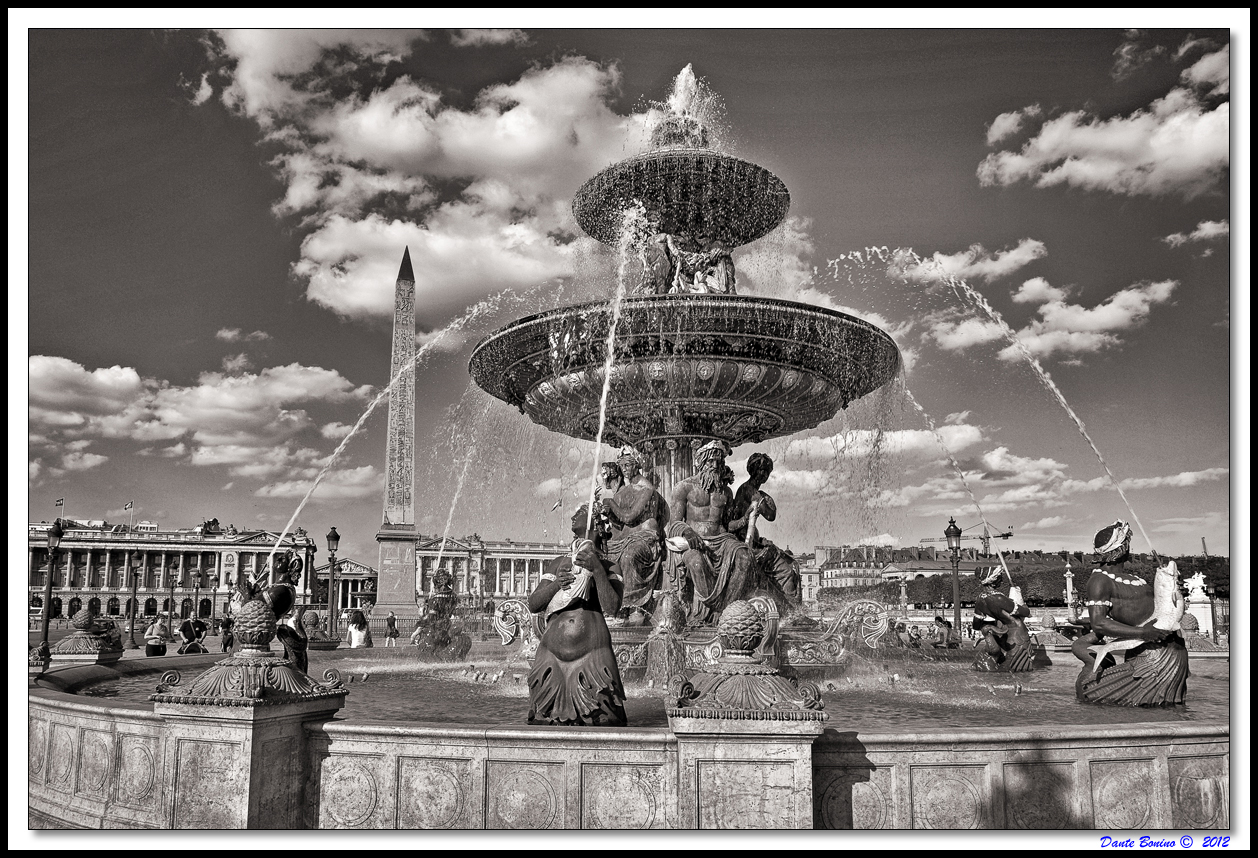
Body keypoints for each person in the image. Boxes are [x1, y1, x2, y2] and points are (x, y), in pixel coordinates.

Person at [526, 505, 627, 727]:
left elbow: (612, 607)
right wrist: (556, 585)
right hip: (551, 656)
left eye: (582, 511)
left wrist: (598, 571)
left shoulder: (611, 566)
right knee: (543, 725)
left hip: (592, 657)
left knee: (603, 722)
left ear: (596, 524)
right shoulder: (557, 563)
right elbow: (534, 604)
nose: (574, 515)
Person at [1071, 520, 1187, 706]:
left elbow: (1161, 608)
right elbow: (1098, 622)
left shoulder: (1136, 579)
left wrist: (1176, 592)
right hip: (1149, 657)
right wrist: (1143, 633)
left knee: (1167, 709)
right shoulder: (1099, 580)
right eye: (1127, 544)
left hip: (1171, 651)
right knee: (1149, 711)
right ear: (1122, 549)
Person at [663, 440, 757, 624]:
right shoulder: (684, 487)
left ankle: (727, 611)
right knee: (695, 562)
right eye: (710, 461)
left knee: (745, 557)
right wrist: (688, 532)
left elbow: (727, 524)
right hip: (694, 541)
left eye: (719, 461)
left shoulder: (726, 493)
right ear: (700, 462)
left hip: (722, 540)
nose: (715, 465)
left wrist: (744, 519)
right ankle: (711, 609)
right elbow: (673, 523)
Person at [601, 446, 667, 622]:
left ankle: (634, 607)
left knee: (630, 556)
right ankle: (612, 605)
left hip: (644, 537)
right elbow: (618, 523)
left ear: (637, 465)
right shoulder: (623, 491)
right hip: (624, 538)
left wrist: (610, 504)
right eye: (621, 465)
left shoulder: (647, 489)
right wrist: (604, 515)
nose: (624, 469)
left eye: (628, 464)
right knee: (603, 557)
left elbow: (629, 517)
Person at [729, 453, 802, 602]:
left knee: (790, 565)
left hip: (753, 542)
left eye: (766, 471)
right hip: (747, 544)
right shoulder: (749, 490)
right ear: (753, 470)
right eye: (760, 470)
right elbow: (770, 515)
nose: (763, 474)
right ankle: (791, 610)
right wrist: (764, 498)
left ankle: (788, 607)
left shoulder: (749, 489)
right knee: (788, 569)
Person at [972, 569, 1034, 671]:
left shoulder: (979, 600)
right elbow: (1024, 612)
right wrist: (1021, 600)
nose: (1001, 581)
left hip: (1001, 633)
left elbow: (976, 625)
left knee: (1002, 666)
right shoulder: (999, 598)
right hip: (1017, 633)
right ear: (993, 581)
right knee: (1017, 667)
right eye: (999, 579)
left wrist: (990, 628)